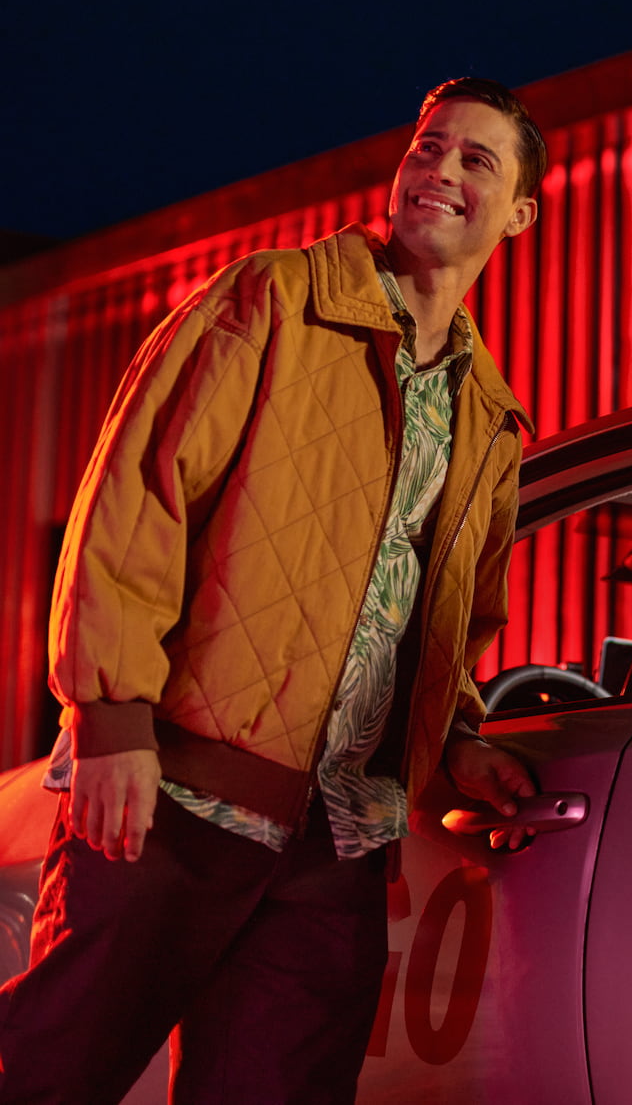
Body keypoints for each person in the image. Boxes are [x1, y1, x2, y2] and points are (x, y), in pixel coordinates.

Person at [0, 76, 544, 1103]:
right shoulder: (274, 299)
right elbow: (137, 495)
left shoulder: (493, 419)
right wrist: (111, 717)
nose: (440, 171)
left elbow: (451, 616)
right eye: (429, 148)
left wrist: (457, 738)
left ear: (519, 213)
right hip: (180, 803)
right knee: (47, 1072)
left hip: (340, 845)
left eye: (478, 159)